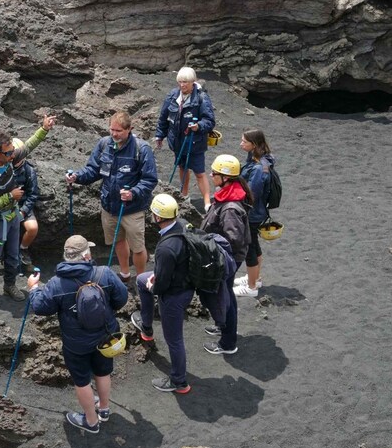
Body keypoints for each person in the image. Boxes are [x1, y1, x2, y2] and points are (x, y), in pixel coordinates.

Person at [28, 235, 128, 433]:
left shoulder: (56, 283)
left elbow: (40, 307)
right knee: (103, 371)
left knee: (82, 381)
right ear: (86, 255)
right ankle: (104, 409)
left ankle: (91, 422)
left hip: (76, 344)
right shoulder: (104, 273)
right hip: (105, 336)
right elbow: (122, 298)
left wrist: (34, 289)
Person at [66, 111, 157, 281]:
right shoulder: (104, 144)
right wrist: (77, 177)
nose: (114, 134)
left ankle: (142, 278)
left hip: (132, 208)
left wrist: (133, 193)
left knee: (138, 247)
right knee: (118, 241)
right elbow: (93, 170)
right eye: (112, 130)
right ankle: (124, 273)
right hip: (109, 206)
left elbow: (150, 179)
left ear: (129, 129)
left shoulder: (141, 148)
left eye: (119, 131)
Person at [0, 116, 56, 302]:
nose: (13, 155)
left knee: (13, 255)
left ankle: (9, 285)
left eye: (13, 152)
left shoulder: (10, 158)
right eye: (8, 153)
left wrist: (44, 129)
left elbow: (29, 145)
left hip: (12, 215)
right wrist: (10, 196)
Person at [132, 194, 195, 394]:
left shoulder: (166, 248)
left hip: (174, 294)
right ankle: (146, 328)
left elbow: (162, 285)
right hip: (186, 282)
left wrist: (155, 285)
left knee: (174, 340)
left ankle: (179, 382)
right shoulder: (184, 225)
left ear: (158, 217)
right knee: (141, 280)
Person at [199, 155, 253, 355]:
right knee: (226, 293)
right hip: (230, 257)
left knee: (225, 296)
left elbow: (233, 240)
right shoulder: (229, 193)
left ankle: (228, 343)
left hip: (227, 258)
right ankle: (224, 327)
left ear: (226, 177)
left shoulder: (230, 207)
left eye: (215, 173)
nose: (211, 175)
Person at [155, 67, 216, 209]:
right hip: (177, 141)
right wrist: (160, 135)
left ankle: (207, 202)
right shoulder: (172, 96)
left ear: (193, 82)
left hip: (195, 143)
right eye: (180, 82)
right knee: (182, 168)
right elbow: (164, 117)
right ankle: (184, 195)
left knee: (199, 172)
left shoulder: (201, 98)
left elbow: (210, 121)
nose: (183, 85)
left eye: (186, 82)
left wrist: (198, 126)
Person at [235, 129, 276, 297]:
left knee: (249, 248)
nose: (241, 144)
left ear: (254, 144)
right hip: (257, 212)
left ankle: (251, 287)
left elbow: (252, 194)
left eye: (244, 141)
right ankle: (255, 278)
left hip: (252, 214)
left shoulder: (259, 168)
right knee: (254, 245)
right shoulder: (257, 158)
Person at [11, 138, 39, 269]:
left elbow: (33, 194)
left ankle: (23, 249)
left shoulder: (28, 170)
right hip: (5, 207)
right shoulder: (2, 168)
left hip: (22, 206)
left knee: (32, 228)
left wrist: (23, 211)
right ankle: (7, 255)